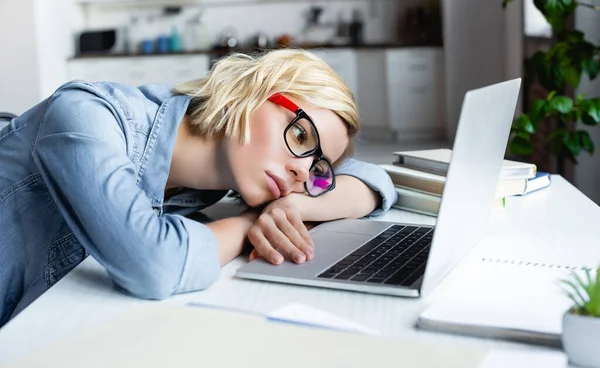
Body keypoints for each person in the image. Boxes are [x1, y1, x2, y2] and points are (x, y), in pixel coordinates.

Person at [0, 49, 396, 327]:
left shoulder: (229, 175)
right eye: (301, 135)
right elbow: (154, 265)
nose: (301, 173)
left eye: (318, 167)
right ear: (251, 90)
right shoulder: (87, 114)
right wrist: (249, 222)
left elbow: (376, 180)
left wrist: (292, 209)